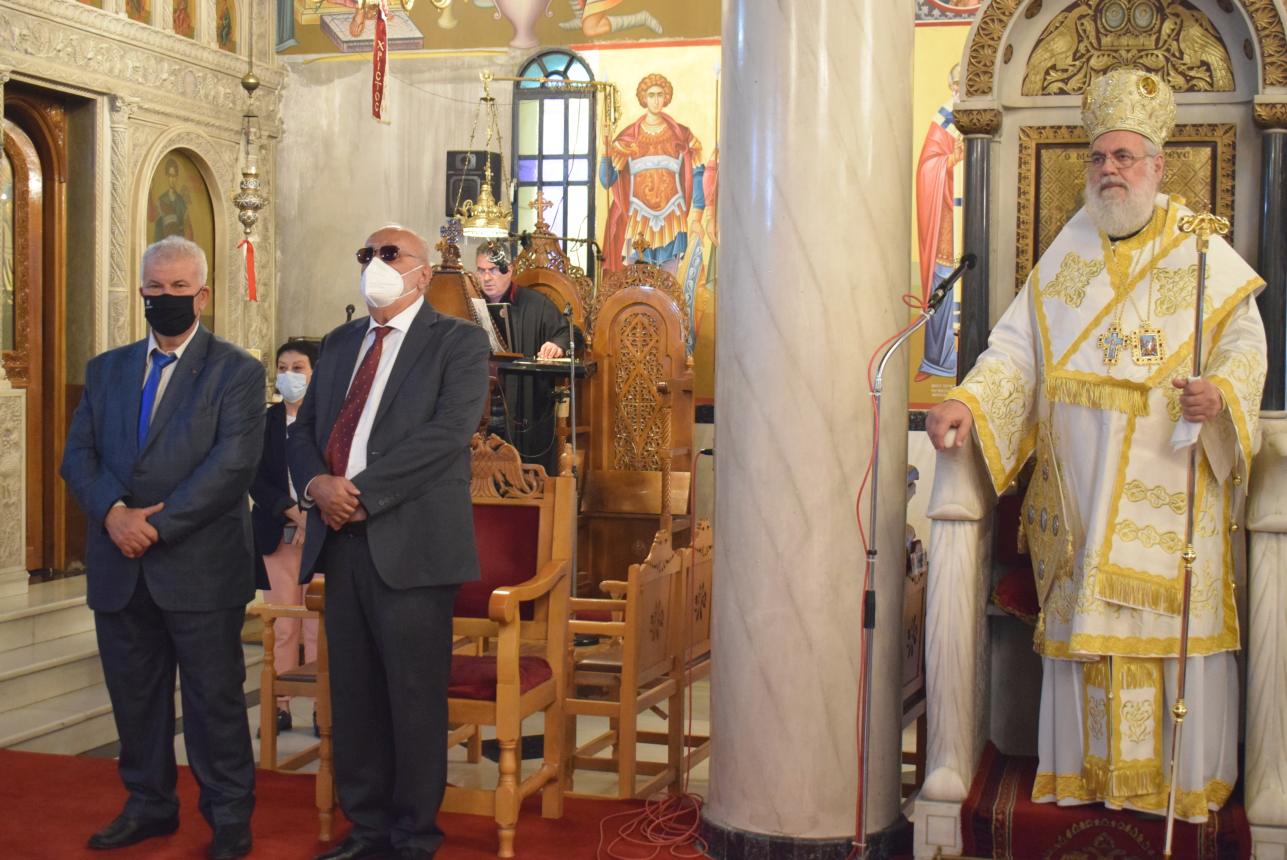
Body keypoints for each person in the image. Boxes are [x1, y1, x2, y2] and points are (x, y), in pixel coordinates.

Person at [927, 69, 1266, 823]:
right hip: (1079, 497)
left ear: (1156, 166)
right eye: (1098, 157)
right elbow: (1015, 351)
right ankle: (1086, 777)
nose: (1108, 169)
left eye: (1123, 156)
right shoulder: (1067, 251)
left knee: (1165, 639)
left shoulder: (1199, 250)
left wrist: (1220, 395)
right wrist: (966, 401)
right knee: (1094, 635)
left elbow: (1245, 344)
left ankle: (1178, 785)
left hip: (1170, 487)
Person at [289, 224, 490, 860]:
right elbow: (302, 432)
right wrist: (318, 484)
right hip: (341, 541)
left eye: (389, 254)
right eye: (367, 254)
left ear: (422, 272)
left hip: (413, 545)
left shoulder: (457, 341)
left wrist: (359, 492)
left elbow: (447, 434)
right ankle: (367, 827)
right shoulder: (340, 342)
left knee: (412, 697)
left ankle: (412, 834)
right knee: (354, 695)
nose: (375, 263)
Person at [60, 236, 264, 859]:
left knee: (213, 702)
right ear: (142, 291)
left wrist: (155, 525)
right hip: (119, 566)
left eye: (179, 288)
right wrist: (115, 514)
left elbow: (232, 466)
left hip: (200, 567)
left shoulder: (236, 371)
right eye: (155, 287)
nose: (165, 297)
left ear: (202, 295)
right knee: (135, 699)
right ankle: (148, 804)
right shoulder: (106, 369)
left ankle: (228, 816)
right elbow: (78, 455)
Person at [251, 339, 320, 736]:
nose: (289, 375)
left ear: (314, 374)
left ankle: (321, 706)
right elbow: (253, 478)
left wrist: (313, 517)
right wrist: (292, 511)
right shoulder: (263, 422)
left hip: (323, 535)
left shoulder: (328, 420)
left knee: (318, 626)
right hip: (277, 533)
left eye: (298, 368)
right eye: (282, 368)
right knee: (282, 625)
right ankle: (279, 706)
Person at [476, 240, 571, 475]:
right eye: (481, 270)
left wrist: (556, 344)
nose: (486, 278)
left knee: (519, 468)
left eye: (493, 270)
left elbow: (568, 333)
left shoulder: (535, 304)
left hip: (522, 400)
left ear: (509, 269)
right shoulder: (470, 304)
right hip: (482, 400)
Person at [600, 73, 707, 273]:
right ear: (644, 98)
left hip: (672, 216)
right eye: (651, 95)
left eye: (660, 95)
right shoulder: (628, 138)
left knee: (669, 281)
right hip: (639, 218)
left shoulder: (681, 135)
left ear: (666, 97)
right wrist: (606, 151)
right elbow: (607, 180)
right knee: (638, 282)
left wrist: (697, 218)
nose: (656, 100)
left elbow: (698, 173)